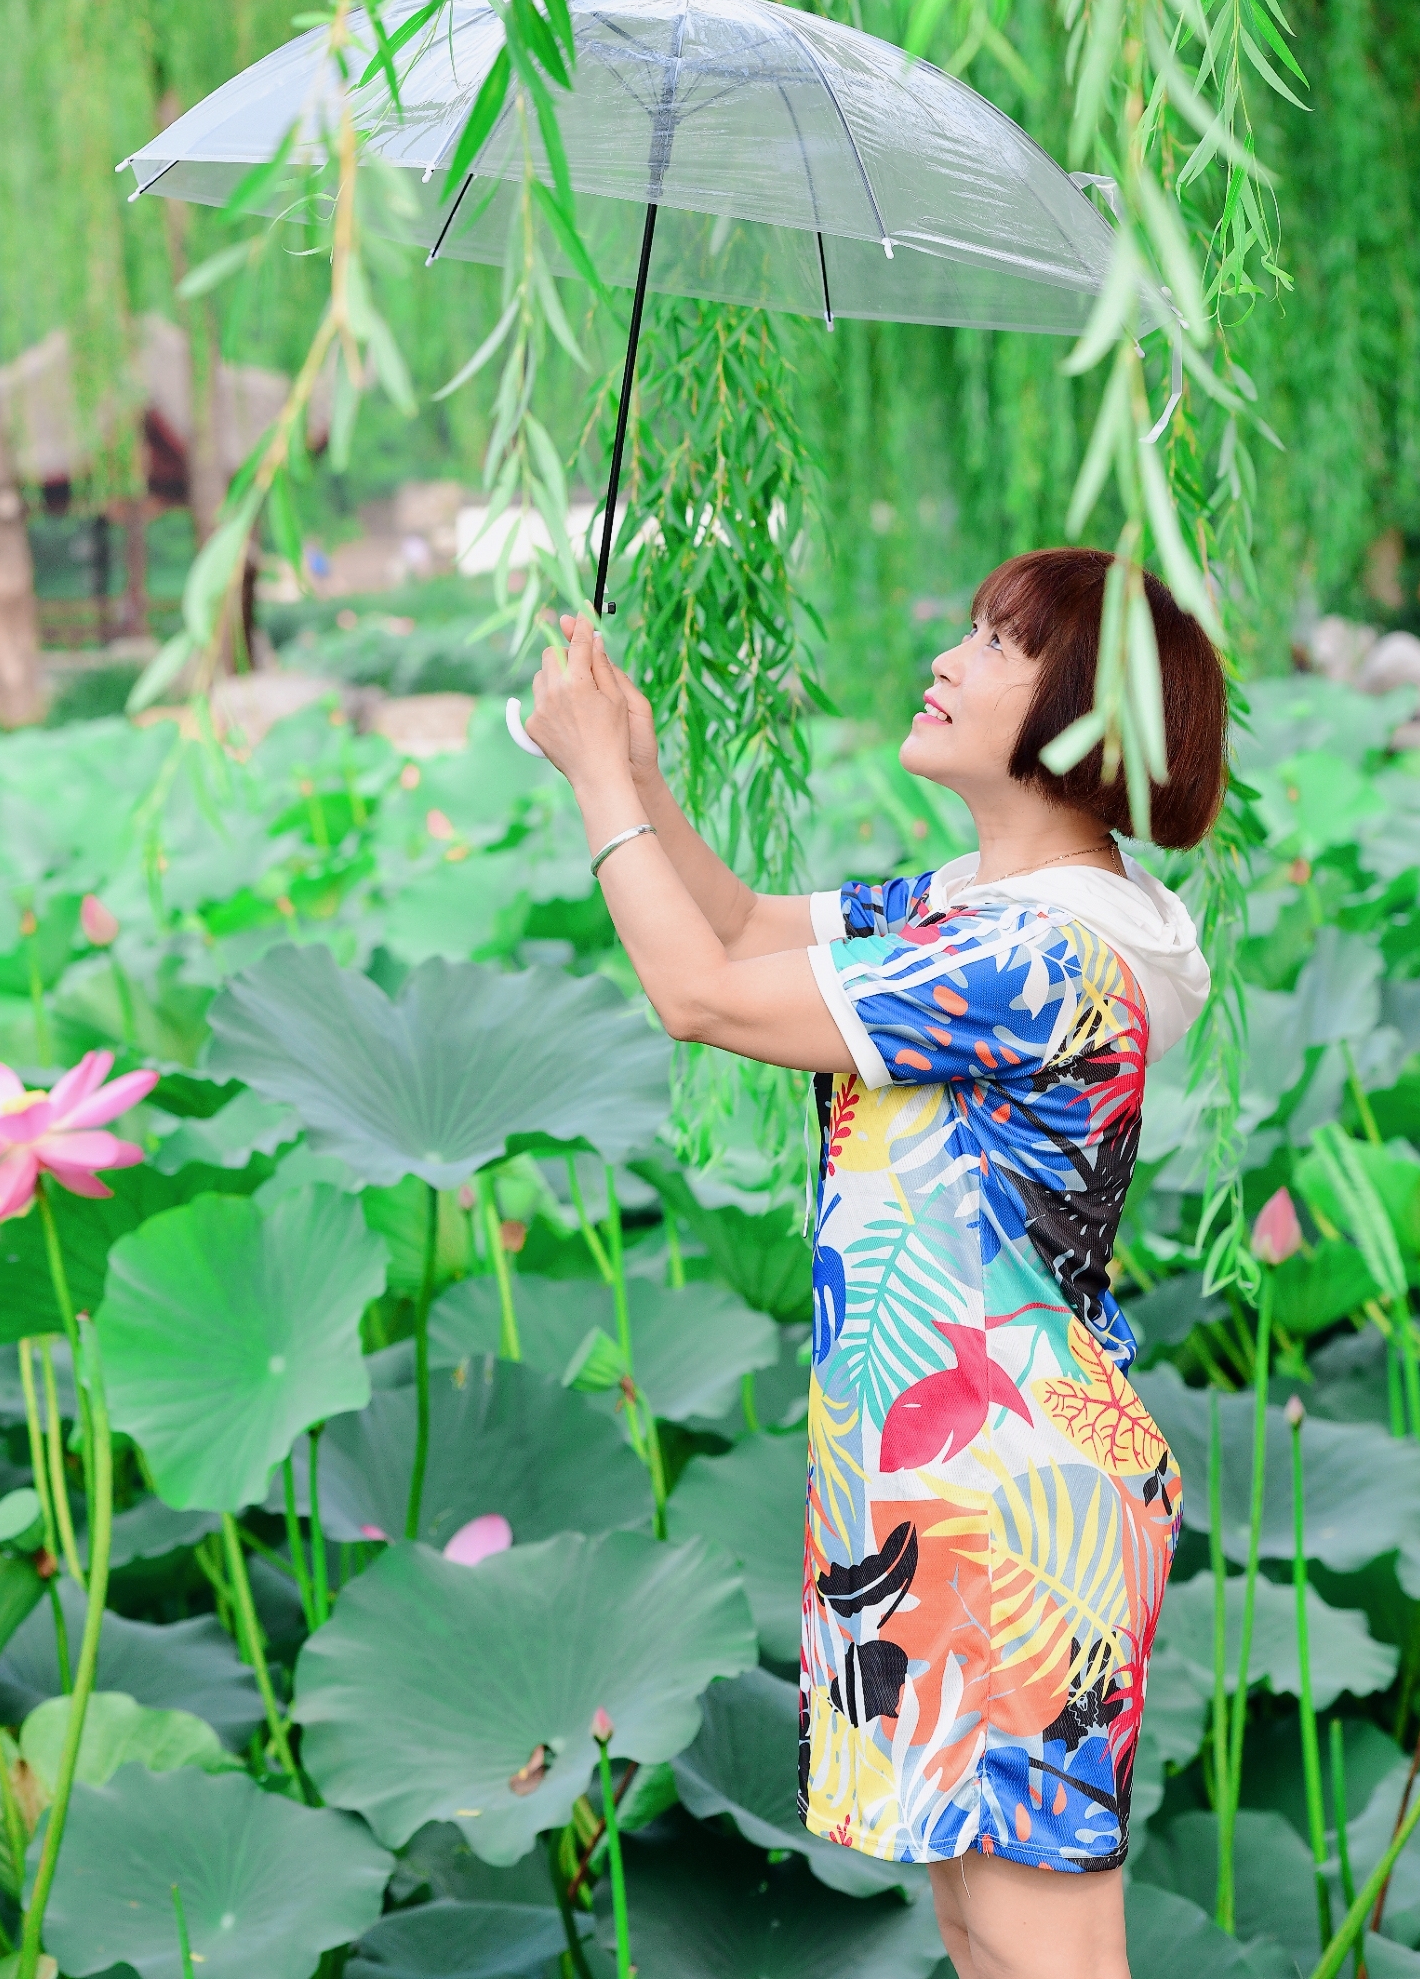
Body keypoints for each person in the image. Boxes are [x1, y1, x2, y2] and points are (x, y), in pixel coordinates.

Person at [524, 545, 1227, 1979]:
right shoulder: (976, 907)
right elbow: (739, 929)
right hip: (939, 1488)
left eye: (998, 644)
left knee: (1044, 1949)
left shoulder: (1037, 959)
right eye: (965, 625)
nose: (949, 656)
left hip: (1014, 1505)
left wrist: (598, 787)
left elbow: (698, 995)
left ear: (1087, 721)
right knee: (979, 1926)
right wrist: (636, 768)